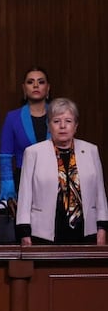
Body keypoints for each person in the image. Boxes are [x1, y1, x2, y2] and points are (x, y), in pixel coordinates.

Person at [17, 98, 108, 245]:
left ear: (76, 126)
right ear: (49, 125)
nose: (63, 126)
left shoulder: (91, 150)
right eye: (56, 121)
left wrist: (102, 228)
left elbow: (100, 193)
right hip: (44, 233)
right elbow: (25, 195)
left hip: (86, 231)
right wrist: (24, 231)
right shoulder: (33, 152)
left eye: (68, 121)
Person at [0, 67, 51, 205]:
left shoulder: (59, 115)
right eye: (30, 82)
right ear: (24, 88)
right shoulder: (12, 117)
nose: (35, 85)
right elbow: (5, 156)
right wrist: (8, 189)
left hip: (55, 178)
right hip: (23, 180)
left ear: (48, 88)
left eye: (41, 82)